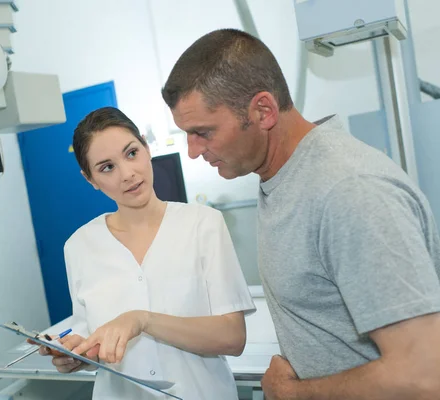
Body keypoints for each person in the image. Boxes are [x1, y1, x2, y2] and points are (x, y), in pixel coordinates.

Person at [161, 28, 440, 400]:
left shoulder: (348, 191)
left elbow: (424, 374)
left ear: (263, 111)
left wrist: (296, 393)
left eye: (203, 132)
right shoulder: (282, 176)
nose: (193, 151)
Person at [39, 107, 255, 399]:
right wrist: (77, 356)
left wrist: (143, 319)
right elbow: (95, 343)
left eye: (131, 153)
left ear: (145, 146)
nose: (127, 174)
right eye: (107, 167)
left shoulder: (203, 224)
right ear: (90, 179)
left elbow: (232, 337)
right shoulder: (79, 246)